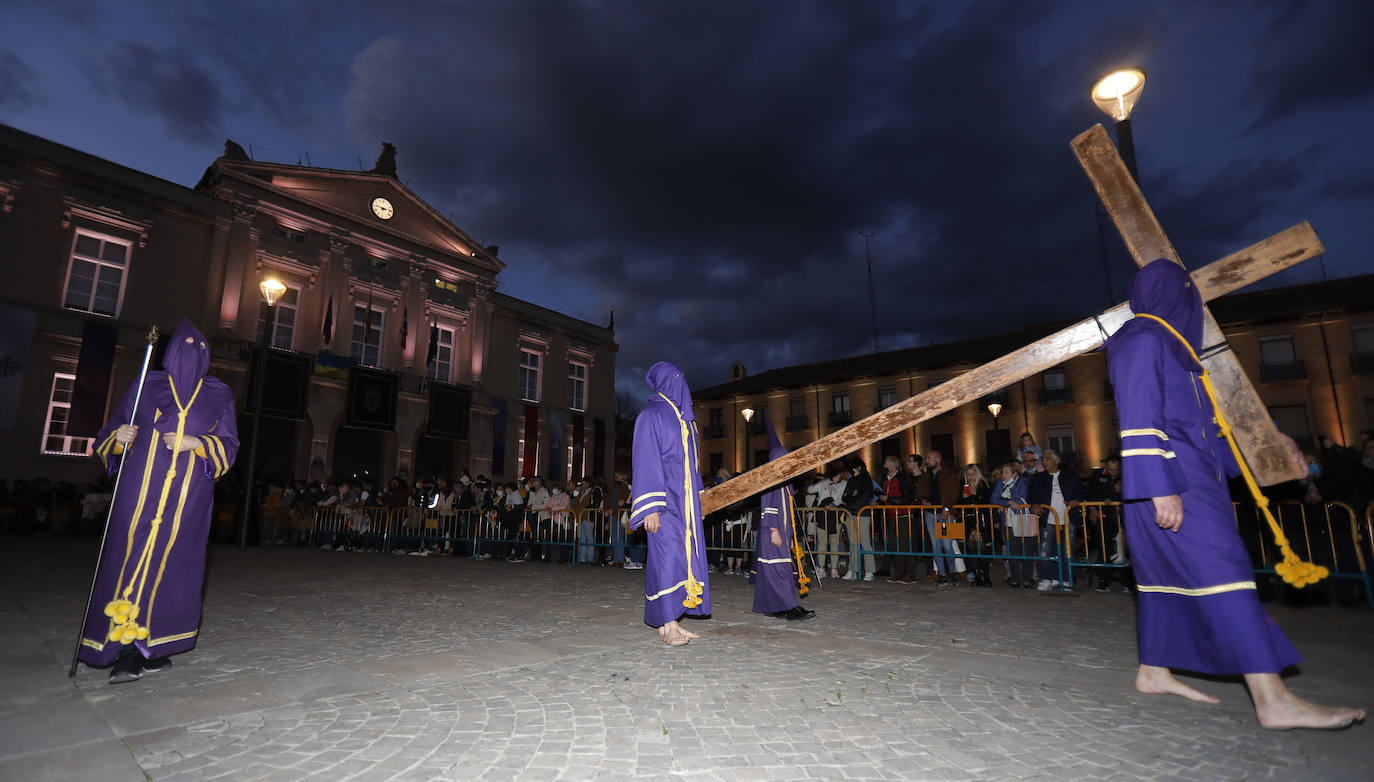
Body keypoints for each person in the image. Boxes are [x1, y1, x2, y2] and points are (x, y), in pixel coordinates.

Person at [1107, 258, 1364, 730]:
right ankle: (1273, 698)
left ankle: (1153, 671)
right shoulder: (1140, 338)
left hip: (1196, 485)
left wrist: (1271, 445)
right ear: (1173, 294)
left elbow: (1209, 432)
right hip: (1171, 485)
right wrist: (1160, 489)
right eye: (1188, 294)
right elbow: (1139, 420)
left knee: (1165, 580)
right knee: (1227, 575)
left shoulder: (1181, 355)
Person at [79, 319, 238, 684]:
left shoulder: (218, 394)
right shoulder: (146, 387)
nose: (191, 358)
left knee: (171, 568)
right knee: (129, 561)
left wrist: (196, 444)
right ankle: (120, 646)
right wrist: (119, 436)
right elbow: (109, 435)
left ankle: (152, 644)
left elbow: (229, 445)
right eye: (184, 350)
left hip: (186, 501)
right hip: (140, 494)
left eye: (199, 351)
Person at [629, 362, 710, 647]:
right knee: (665, 559)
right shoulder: (651, 414)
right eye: (677, 378)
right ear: (666, 382)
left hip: (684, 505)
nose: (682, 383)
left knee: (682, 559)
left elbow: (691, 464)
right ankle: (669, 623)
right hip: (663, 504)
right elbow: (646, 460)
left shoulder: (684, 419)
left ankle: (669, 620)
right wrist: (650, 506)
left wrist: (699, 496)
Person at [753, 438, 815, 620]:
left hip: (781, 531)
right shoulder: (772, 479)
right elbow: (768, 504)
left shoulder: (783, 480)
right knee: (780, 569)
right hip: (774, 532)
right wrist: (774, 529)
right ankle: (790, 607)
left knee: (771, 569)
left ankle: (772, 606)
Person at [1028, 449, 1082, 590]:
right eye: (1043, 459)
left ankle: (1066, 578)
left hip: (1068, 519)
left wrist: (1077, 501)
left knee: (1067, 550)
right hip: (1048, 518)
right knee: (1046, 550)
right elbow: (1033, 495)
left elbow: (1079, 493)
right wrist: (1034, 505)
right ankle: (1047, 578)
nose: (1044, 461)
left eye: (1047, 458)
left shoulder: (1070, 476)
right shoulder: (1039, 478)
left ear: (1057, 461)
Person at [913, 450, 961, 586]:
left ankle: (952, 572)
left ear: (938, 459)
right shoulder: (925, 477)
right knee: (935, 545)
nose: (926, 461)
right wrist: (922, 501)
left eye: (929, 458)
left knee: (947, 544)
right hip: (930, 514)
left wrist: (946, 508)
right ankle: (941, 574)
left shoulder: (950, 475)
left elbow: (954, 493)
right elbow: (919, 494)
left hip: (946, 514)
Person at [876, 455, 916, 583]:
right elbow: (884, 495)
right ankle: (899, 572)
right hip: (891, 515)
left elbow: (908, 497)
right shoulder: (886, 479)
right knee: (894, 544)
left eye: (886, 463)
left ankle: (910, 573)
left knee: (905, 545)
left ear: (893, 465)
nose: (884, 465)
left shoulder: (903, 478)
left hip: (903, 515)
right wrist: (879, 501)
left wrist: (889, 500)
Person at [956, 464, 993, 587]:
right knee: (971, 549)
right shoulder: (964, 486)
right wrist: (963, 497)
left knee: (982, 549)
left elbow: (986, 502)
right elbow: (958, 504)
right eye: (968, 474)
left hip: (982, 521)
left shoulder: (983, 485)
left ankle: (986, 576)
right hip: (968, 521)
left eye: (973, 473)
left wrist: (975, 494)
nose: (970, 476)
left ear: (977, 474)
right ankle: (977, 576)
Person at [840, 458, 875, 581]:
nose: (851, 470)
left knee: (865, 542)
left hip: (862, 513)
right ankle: (852, 570)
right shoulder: (851, 480)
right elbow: (844, 498)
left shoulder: (866, 480)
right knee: (852, 544)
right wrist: (851, 496)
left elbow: (863, 497)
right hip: (850, 513)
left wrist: (851, 497)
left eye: (853, 468)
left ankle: (870, 571)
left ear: (859, 467)